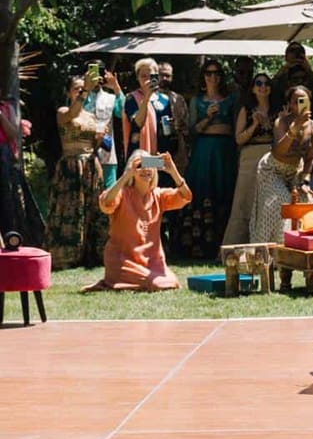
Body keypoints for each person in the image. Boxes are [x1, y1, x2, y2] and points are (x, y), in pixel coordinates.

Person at [82, 150, 190, 292]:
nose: (145, 169)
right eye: (139, 166)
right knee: (159, 284)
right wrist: (126, 176)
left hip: (152, 263)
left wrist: (172, 171)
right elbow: (106, 202)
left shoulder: (158, 196)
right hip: (123, 261)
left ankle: (143, 279)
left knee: (172, 282)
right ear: (131, 170)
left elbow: (186, 196)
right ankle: (118, 280)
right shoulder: (122, 193)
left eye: (149, 164)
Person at [47, 74, 107, 269]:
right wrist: (87, 91)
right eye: (77, 89)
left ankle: (93, 253)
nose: (81, 92)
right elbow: (71, 116)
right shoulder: (63, 111)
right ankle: (67, 255)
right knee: (70, 209)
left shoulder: (91, 117)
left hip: (90, 165)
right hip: (71, 165)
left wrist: (100, 138)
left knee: (92, 208)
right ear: (68, 92)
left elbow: (94, 145)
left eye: (83, 88)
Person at [180, 59, 237, 258]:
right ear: (203, 76)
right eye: (208, 73)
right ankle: (201, 246)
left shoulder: (231, 99)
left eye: (217, 73)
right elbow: (191, 130)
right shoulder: (197, 101)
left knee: (224, 190)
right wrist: (208, 118)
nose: (213, 77)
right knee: (204, 192)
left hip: (225, 150)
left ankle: (225, 242)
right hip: (204, 149)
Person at [249, 84, 313, 244]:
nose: (300, 104)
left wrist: (305, 180)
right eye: (296, 101)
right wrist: (293, 130)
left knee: (306, 202)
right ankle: (270, 251)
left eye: (304, 100)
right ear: (289, 104)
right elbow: (279, 151)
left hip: (295, 171)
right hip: (272, 169)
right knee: (280, 201)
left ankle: (302, 249)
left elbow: (310, 157)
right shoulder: (281, 122)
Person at [271, 42, 313, 192]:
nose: (299, 81)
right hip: (289, 156)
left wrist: (308, 69)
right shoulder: (283, 92)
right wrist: (286, 67)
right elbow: (271, 88)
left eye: (302, 79)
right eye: (295, 80)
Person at [223, 72, 275, 245]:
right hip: (250, 156)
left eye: (266, 83)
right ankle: (235, 245)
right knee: (244, 200)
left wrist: (269, 123)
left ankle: (266, 243)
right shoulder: (247, 109)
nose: (263, 86)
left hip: (272, 156)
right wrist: (254, 125)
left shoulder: (278, 109)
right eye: (258, 83)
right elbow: (239, 139)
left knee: (268, 200)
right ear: (253, 88)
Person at [0, 98, 44, 246]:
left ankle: (10, 239)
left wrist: (0, 115)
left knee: (6, 198)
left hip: (3, 156)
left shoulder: (6, 108)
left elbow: (12, 133)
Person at [123, 57, 174, 159]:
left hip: (161, 152)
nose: (147, 79)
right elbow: (137, 123)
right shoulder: (131, 98)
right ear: (137, 77)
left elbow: (168, 129)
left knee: (159, 173)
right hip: (140, 153)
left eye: (150, 76)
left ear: (157, 76)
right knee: (145, 172)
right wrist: (146, 97)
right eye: (143, 76)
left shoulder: (164, 99)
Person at [157, 61, 189, 173]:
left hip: (176, 152)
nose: (164, 78)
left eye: (168, 75)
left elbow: (187, 127)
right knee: (153, 178)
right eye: (161, 75)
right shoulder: (148, 97)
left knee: (175, 184)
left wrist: (177, 125)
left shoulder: (178, 99)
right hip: (154, 150)